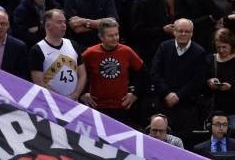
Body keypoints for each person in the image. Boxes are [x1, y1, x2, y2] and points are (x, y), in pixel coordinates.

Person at [150, 18, 207, 147]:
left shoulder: (199, 52)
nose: (183, 34)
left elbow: (198, 80)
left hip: (186, 107)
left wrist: (178, 95)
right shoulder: (164, 47)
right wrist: (167, 93)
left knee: (183, 145)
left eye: (187, 31)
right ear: (174, 31)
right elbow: (155, 72)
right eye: (180, 31)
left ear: (192, 33)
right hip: (163, 103)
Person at [81, 18, 143, 125]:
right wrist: (82, 94)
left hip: (121, 107)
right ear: (101, 37)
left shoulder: (127, 51)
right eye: (110, 36)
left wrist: (135, 94)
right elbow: (79, 74)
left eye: (116, 34)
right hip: (97, 107)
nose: (115, 38)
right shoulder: (90, 53)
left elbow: (143, 73)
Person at [30, 8, 87, 100]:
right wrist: (61, 100)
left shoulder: (73, 45)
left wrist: (76, 95)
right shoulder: (37, 49)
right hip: (51, 103)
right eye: (59, 22)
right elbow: (39, 82)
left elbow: (82, 74)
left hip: (74, 102)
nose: (64, 25)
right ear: (48, 25)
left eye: (64, 22)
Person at [206, 28, 235, 128]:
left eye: (224, 47)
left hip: (232, 110)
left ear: (231, 45)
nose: (221, 50)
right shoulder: (210, 59)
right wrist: (210, 82)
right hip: (215, 110)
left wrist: (231, 87)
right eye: (218, 47)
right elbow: (201, 80)